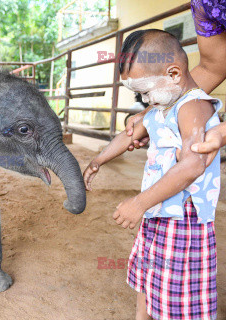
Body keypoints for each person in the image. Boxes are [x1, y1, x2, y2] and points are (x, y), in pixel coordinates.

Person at [84, 29, 222, 320]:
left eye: (145, 91)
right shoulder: (161, 105)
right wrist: (99, 160)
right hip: (159, 211)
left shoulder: (192, 107)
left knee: (179, 292)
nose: (144, 99)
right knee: (147, 277)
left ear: (173, 74)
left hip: (183, 218)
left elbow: (193, 165)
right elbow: (130, 134)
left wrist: (139, 203)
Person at [125, 2, 226, 161]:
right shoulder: (205, 3)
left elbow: (190, 165)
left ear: (173, 74)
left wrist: (221, 132)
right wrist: (149, 112)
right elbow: (213, 66)